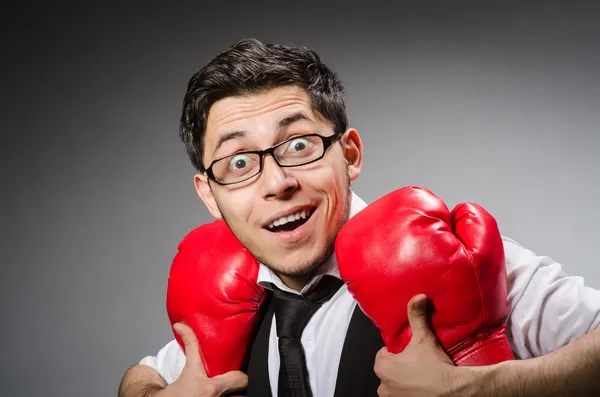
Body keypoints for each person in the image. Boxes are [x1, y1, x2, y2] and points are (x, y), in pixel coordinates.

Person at [118, 38, 600, 397]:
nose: (277, 182)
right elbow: (142, 376)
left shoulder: (449, 259)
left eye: (299, 145)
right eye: (239, 163)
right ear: (209, 194)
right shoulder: (225, 292)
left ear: (349, 154)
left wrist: (487, 388)